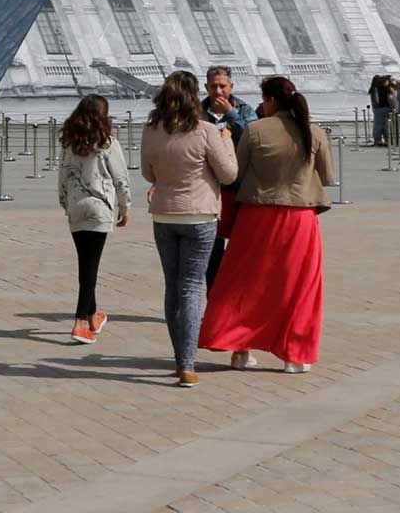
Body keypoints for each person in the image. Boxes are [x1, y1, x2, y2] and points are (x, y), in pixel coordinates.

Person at [199, 76, 330, 373]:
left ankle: (240, 351)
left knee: (244, 284)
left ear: (269, 101)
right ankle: (294, 356)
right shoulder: (314, 131)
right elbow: (327, 175)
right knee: (300, 287)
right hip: (300, 218)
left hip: (256, 216)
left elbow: (235, 173)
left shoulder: (255, 130)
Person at [140, 70, 236, 387]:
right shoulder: (206, 130)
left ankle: (179, 357)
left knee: (173, 286)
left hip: (165, 215)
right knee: (192, 287)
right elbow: (228, 174)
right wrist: (226, 141)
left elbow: (147, 173)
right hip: (199, 215)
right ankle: (188, 363)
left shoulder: (151, 130)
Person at [56, 93, 129, 343]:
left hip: (76, 206)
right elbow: (120, 178)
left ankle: (92, 315)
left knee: (86, 263)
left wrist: (65, 203)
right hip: (99, 207)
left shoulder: (69, 143)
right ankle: (79, 322)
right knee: (90, 266)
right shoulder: (108, 143)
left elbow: (62, 176)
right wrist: (125, 206)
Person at [200, 66, 253, 290]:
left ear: (231, 87)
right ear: (206, 87)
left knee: (241, 248)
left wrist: (231, 114)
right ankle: (213, 298)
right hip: (210, 189)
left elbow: (253, 136)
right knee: (211, 251)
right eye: (214, 86)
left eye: (223, 86)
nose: (218, 91)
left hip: (238, 188)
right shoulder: (198, 111)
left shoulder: (243, 110)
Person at [368, 74, 392, 146]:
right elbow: (378, 99)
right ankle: (386, 139)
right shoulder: (379, 88)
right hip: (383, 108)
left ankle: (377, 139)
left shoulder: (372, 89)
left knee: (377, 124)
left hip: (376, 108)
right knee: (385, 124)